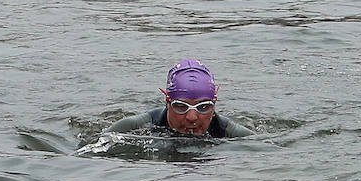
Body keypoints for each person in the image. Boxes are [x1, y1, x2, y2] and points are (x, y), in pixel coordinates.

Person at [107, 59, 253, 138]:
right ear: (167, 102)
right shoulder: (135, 127)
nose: (192, 117)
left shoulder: (230, 133)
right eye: (181, 106)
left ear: (214, 105)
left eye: (203, 107)